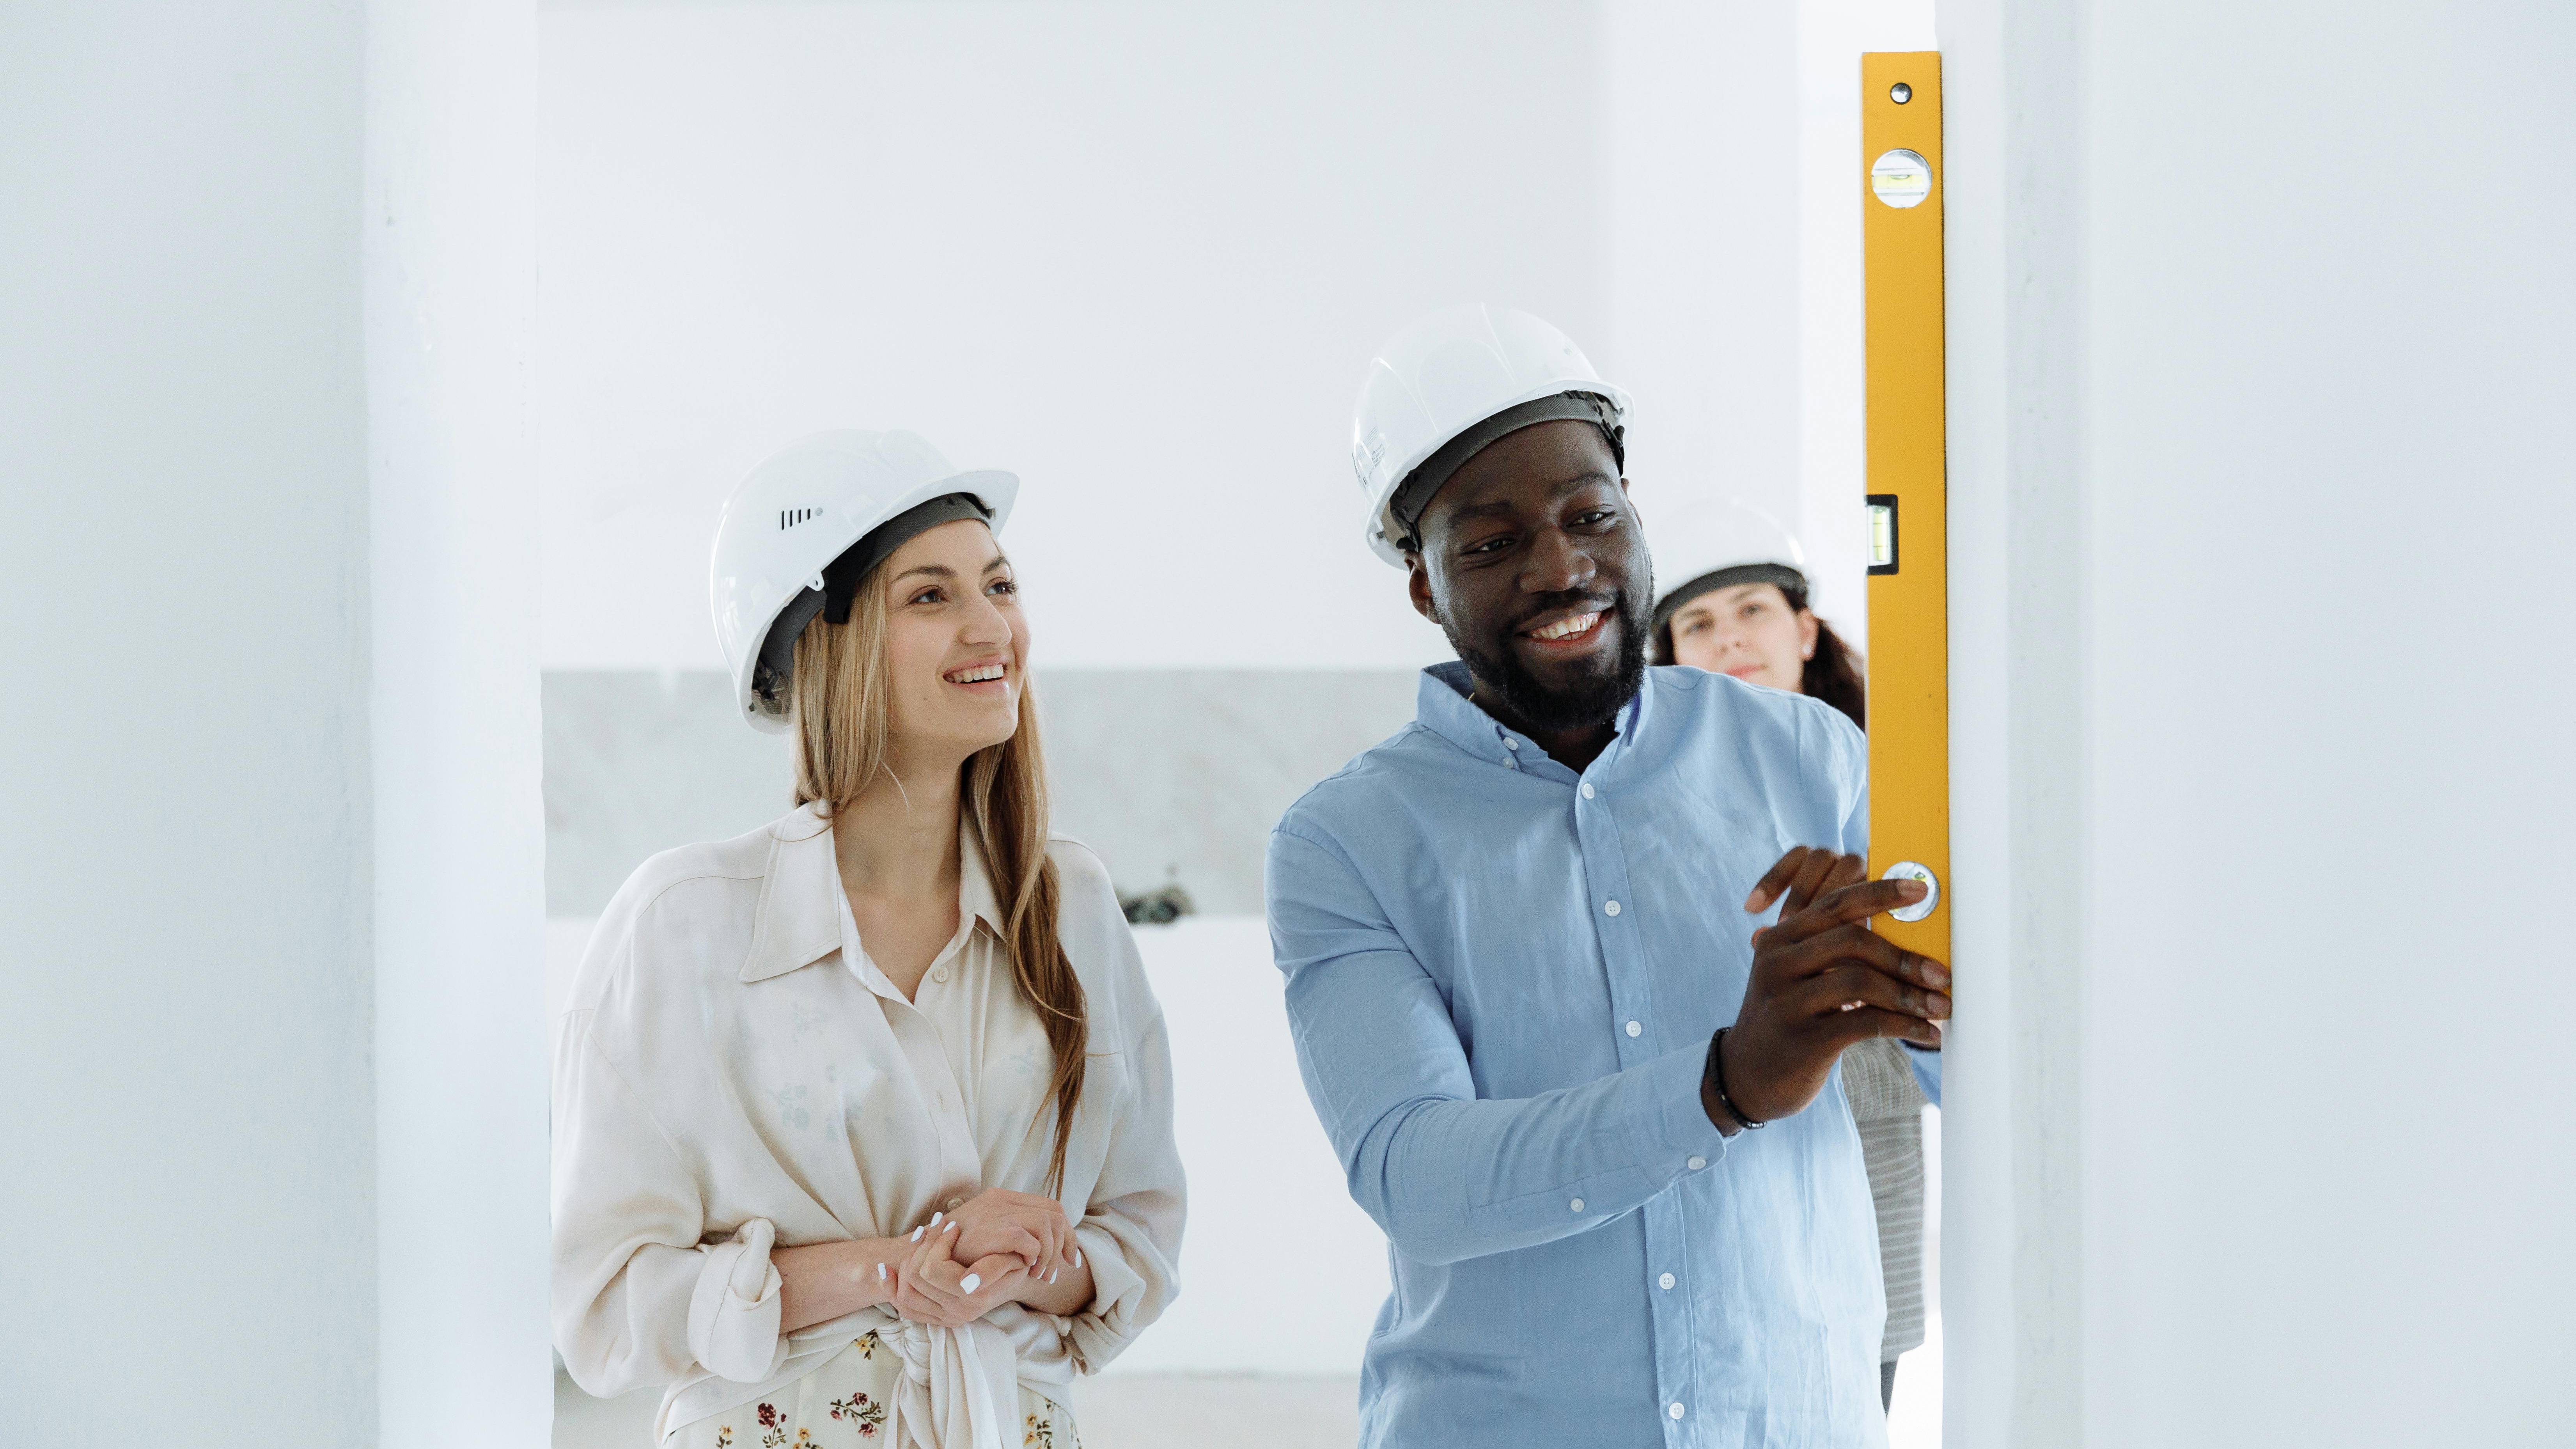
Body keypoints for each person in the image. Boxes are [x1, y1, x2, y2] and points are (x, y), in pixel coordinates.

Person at [1268, 305, 1945, 1447]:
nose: (1559, 566)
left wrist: (1922, 998)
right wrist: (1726, 1082)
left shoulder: (1810, 756)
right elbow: (1414, 1174)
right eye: (1488, 543)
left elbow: (1999, 1080)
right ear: (1424, 588)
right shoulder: (1345, 840)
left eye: (1590, 515)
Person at [551, 430, 1184, 1448]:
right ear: (822, 644)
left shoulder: (1073, 910)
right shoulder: (682, 923)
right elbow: (603, 1305)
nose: (991, 628)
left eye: (1000, 585)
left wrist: (1016, 1257)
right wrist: (894, 1267)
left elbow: (1140, 1239)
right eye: (930, 596)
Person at [1649, 496, 1930, 1412]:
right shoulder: (1639, 793)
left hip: (1868, 1122)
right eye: (1699, 621)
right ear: (1670, 657)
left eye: (1753, 610)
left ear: (1804, 627)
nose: (1730, 639)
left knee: (1853, 1377)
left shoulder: (1899, 771)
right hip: (1714, 1123)